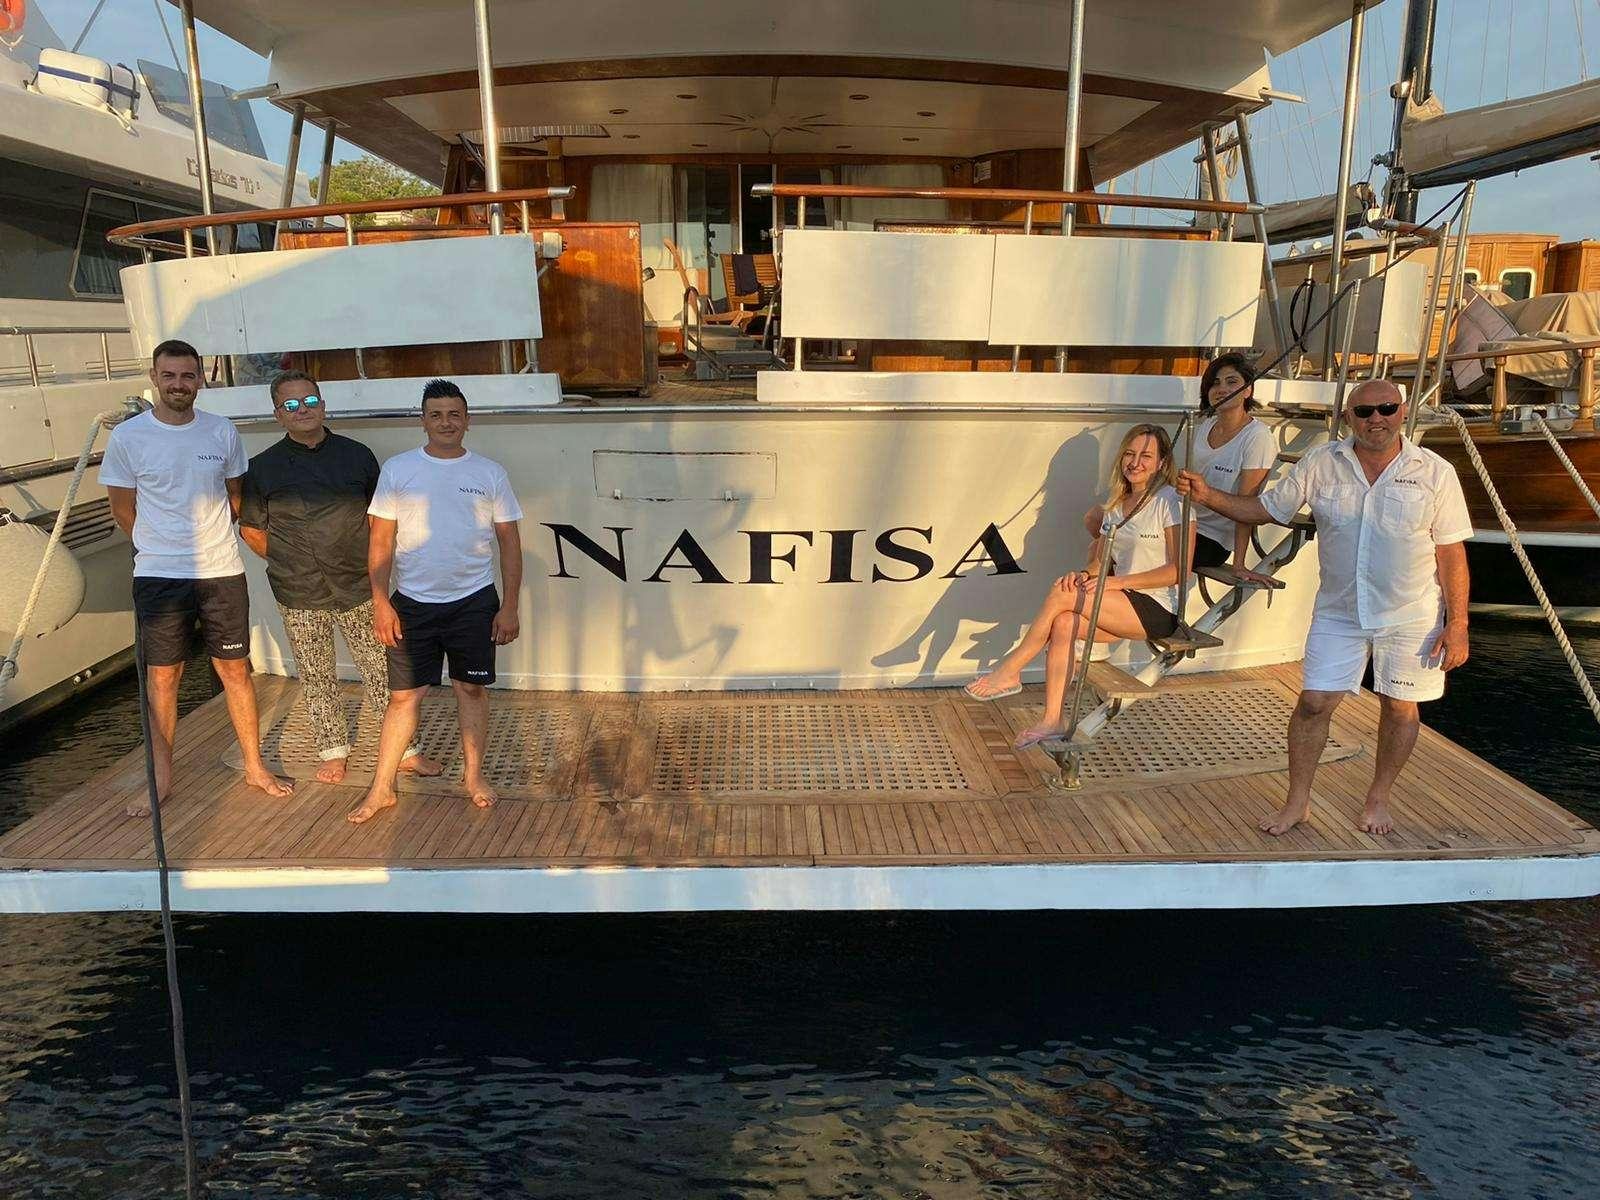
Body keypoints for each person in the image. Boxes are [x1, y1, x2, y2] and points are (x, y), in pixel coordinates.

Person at [1177, 378, 1472, 837]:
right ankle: (1298, 803)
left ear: (1402, 410)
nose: (1377, 418)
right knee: (1314, 703)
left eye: (1387, 408)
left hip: (1412, 613)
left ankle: (1378, 797)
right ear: (1349, 417)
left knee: (1400, 707)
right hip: (1340, 610)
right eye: (1365, 411)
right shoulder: (1321, 462)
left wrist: (1459, 624)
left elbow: (1451, 553)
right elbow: (1269, 508)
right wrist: (1208, 496)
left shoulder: (1435, 472)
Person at [100, 339, 293, 815]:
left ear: (201, 379)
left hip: (221, 570)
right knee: (164, 678)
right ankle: (161, 779)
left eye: (188, 376)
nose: (179, 384)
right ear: (154, 377)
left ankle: (253, 764)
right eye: (170, 376)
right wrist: (158, 545)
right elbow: (123, 510)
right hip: (160, 576)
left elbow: (234, 498)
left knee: (234, 670)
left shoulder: (221, 432)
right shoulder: (129, 438)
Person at [238, 371, 442, 785]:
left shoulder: (357, 455)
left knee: (383, 670)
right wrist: (290, 559)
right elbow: (252, 530)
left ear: (323, 403)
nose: (302, 410)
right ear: (278, 414)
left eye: (309, 401)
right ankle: (333, 751)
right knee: (316, 673)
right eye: (291, 405)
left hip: (358, 583)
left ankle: (405, 751)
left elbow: (379, 517)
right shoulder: (261, 468)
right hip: (298, 588)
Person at [348, 379, 524, 825]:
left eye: (454, 414)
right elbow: (381, 540)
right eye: (436, 414)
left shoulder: (490, 473)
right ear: (423, 420)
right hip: (413, 604)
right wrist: (380, 602)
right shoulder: (399, 469)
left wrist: (509, 606)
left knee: (471, 688)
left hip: (474, 601)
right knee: (404, 697)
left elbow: (510, 544)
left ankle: (473, 776)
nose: (446, 422)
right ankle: (381, 788)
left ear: (467, 420)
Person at [966, 424, 1194, 751]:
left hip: (1157, 607)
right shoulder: (1116, 505)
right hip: (1119, 600)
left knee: (1063, 596)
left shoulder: (1171, 501)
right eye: (1130, 454)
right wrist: (1084, 577)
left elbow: (1178, 571)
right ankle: (1053, 719)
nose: (1135, 462)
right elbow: (1100, 564)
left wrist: (1114, 583)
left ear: (1161, 463)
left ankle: (1012, 667)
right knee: (1063, 619)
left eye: (1146, 455)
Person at [1190, 353, 1278, 582]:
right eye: (1215, 383)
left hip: (1213, 539)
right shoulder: (1206, 426)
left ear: (1247, 390)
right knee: (1108, 527)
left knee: (1137, 550)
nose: (1221, 388)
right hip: (1187, 523)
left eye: (1232, 382)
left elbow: (1247, 506)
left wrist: (1239, 564)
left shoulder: (1257, 437)